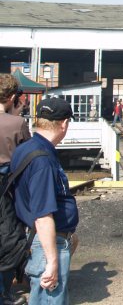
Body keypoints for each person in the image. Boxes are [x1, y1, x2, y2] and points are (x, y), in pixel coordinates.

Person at [11, 97, 79, 305]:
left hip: (36, 236)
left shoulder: (25, 148)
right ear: (64, 124)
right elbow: (42, 215)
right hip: (46, 241)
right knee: (49, 299)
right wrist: (52, 261)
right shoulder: (43, 160)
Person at [0, 74, 31, 305]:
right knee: (9, 238)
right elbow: (28, 156)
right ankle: (4, 293)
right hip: (7, 186)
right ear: (12, 97)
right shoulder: (17, 124)